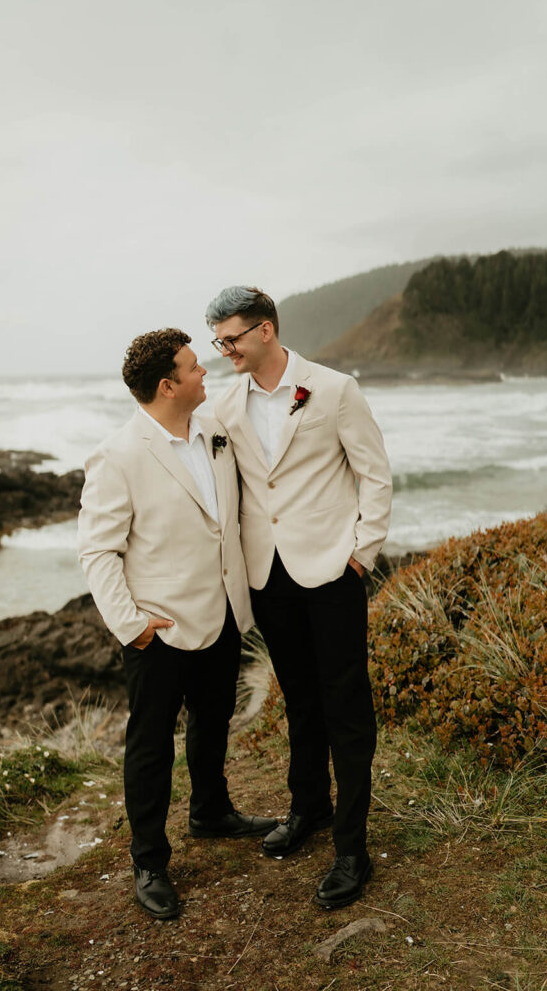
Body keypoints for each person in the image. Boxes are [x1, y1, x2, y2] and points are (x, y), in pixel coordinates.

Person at [77, 328, 276, 920]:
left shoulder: (214, 429)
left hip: (222, 613)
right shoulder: (118, 454)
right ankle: (149, 861)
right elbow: (98, 551)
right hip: (159, 630)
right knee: (151, 746)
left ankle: (211, 812)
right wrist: (131, 625)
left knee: (213, 722)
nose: (205, 373)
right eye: (193, 368)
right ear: (167, 386)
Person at [206, 287, 392, 909]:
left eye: (229, 338)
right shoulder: (226, 406)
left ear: (265, 331)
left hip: (333, 571)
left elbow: (374, 473)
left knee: (345, 706)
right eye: (216, 341)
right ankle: (308, 805)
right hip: (269, 576)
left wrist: (362, 553)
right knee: (300, 699)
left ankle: (351, 847)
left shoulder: (335, 389)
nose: (222, 349)